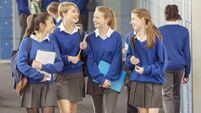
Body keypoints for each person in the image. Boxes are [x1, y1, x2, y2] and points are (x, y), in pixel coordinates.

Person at [17, 12, 64, 113]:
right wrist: (39, 76)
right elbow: (21, 64)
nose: (54, 25)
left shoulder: (52, 43)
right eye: (51, 22)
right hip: (31, 86)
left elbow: (59, 65)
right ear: (42, 26)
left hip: (49, 85)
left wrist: (42, 66)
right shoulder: (27, 42)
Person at [126, 8, 167, 113]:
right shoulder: (132, 39)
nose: (131, 22)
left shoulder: (156, 38)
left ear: (142, 19)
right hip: (138, 81)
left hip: (154, 81)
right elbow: (128, 62)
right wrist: (131, 60)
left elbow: (162, 64)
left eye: (133, 19)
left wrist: (146, 70)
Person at [49, 2, 87, 113]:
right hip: (61, 75)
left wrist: (85, 48)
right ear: (63, 14)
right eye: (73, 11)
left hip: (76, 74)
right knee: (65, 111)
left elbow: (85, 55)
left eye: (77, 11)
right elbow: (54, 56)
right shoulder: (54, 33)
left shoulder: (80, 32)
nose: (77, 14)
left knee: (73, 110)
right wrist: (68, 58)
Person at [86, 6, 122, 113]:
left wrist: (108, 79)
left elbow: (117, 60)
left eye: (97, 17)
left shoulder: (116, 37)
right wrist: (101, 79)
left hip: (113, 79)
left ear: (107, 19)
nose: (94, 20)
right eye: (94, 17)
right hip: (95, 79)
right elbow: (90, 61)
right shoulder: (90, 38)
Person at [159, 4, 191, 113]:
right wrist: (187, 73)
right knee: (176, 94)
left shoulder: (160, 30)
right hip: (179, 66)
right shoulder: (184, 31)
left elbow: (158, 52)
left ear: (165, 15)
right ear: (177, 14)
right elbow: (187, 54)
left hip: (166, 67)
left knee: (167, 95)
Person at [123, 32, 138, 113]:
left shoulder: (150, 35)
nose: (131, 22)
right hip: (130, 70)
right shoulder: (128, 36)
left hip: (142, 71)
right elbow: (127, 55)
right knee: (130, 98)